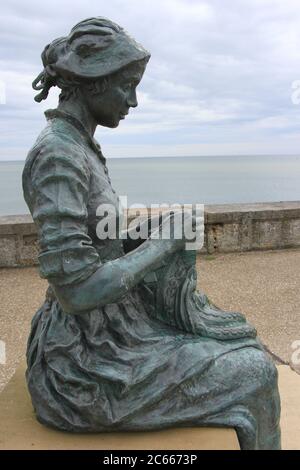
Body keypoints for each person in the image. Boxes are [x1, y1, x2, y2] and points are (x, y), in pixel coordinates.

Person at [23, 17, 281, 449]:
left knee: (237, 333)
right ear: (93, 82)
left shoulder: (78, 145)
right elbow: (77, 292)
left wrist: (148, 231)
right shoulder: (57, 156)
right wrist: (164, 244)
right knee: (257, 372)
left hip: (110, 332)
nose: (134, 100)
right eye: (127, 85)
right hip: (84, 363)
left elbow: (97, 245)